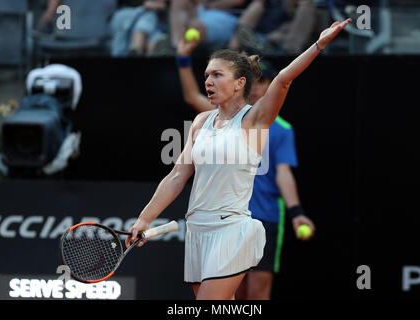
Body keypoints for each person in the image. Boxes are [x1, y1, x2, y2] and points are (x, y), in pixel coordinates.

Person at [126, 18, 351, 300]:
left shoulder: (255, 119)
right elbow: (176, 176)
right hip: (198, 231)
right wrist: (144, 219)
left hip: (231, 230)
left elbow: (283, 79)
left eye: (217, 75)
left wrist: (319, 44)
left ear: (239, 83)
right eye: (207, 74)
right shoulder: (200, 122)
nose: (208, 80)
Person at [176, 37, 316, 300]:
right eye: (257, 80)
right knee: (230, 297)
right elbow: (191, 97)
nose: (257, 87)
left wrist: (296, 212)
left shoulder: (279, 128)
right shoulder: (216, 119)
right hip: (219, 221)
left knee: (256, 293)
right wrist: (183, 59)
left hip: (261, 217)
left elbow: (283, 174)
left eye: (263, 82)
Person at [229, 0, 318, 55]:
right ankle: (232, 53)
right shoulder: (262, 5)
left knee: (306, 5)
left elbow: (292, 44)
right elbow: (243, 31)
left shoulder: (306, 9)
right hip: (260, 42)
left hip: (285, 52)